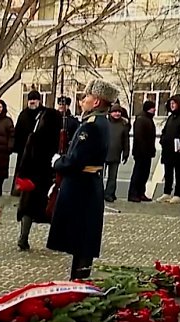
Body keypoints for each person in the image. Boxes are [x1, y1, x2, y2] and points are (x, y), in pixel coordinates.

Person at [47, 80, 117, 280]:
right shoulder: (99, 122)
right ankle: (79, 278)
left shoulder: (92, 126)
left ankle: (78, 282)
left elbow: (75, 161)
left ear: (96, 102)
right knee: (83, 239)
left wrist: (58, 162)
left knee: (81, 240)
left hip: (81, 188)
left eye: (86, 97)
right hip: (88, 185)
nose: (82, 101)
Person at [13, 90, 61, 250]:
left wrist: (22, 174)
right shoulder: (42, 134)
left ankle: (24, 237)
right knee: (50, 206)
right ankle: (26, 238)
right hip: (45, 173)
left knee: (32, 206)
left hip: (37, 174)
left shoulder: (38, 136)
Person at [155, 95, 180, 204]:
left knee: (179, 172)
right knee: (168, 172)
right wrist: (162, 140)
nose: (172, 105)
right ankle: (167, 192)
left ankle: (178, 194)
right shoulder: (170, 117)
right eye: (171, 104)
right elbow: (165, 131)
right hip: (168, 150)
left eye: (174, 103)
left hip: (179, 150)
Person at [128, 100, 157, 202]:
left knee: (145, 173)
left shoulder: (148, 119)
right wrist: (143, 150)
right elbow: (139, 137)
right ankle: (133, 194)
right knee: (138, 173)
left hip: (147, 152)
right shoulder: (141, 119)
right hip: (141, 152)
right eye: (153, 107)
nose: (155, 109)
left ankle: (141, 193)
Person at [102, 103, 130, 202]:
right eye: (115, 112)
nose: (117, 114)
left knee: (112, 176)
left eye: (119, 112)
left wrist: (126, 153)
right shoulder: (105, 123)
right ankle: (100, 193)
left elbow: (126, 140)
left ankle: (109, 193)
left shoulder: (123, 125)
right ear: (110, 113)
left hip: (116, 153)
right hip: (104, 153)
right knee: (100, 175)